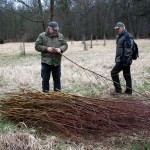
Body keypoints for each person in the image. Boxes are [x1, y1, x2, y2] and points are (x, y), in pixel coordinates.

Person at [35, 21, 68, 92]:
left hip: (57, 62)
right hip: (46, 62)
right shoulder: (42, 36)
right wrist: (47, 49)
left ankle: (57, 96)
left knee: (57, 79)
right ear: (49, 28)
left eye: (57, 30)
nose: (56, 31)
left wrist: (60, 49)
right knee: (45, 79)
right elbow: (37, 47)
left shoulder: (60, 36)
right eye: (54, 30)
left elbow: (65, 45)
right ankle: (46, 96)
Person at [111, 22, 133, 95]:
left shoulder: (127, 36)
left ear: (123, 27)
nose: (117, 30)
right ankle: (128, 92)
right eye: (116, 29)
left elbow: (129, 49)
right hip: (121, 59)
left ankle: (118, 90)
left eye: (118, 29)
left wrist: (126, 61)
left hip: (124, 60)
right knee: (126, 74)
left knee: (113, 72)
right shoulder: (120, 36)